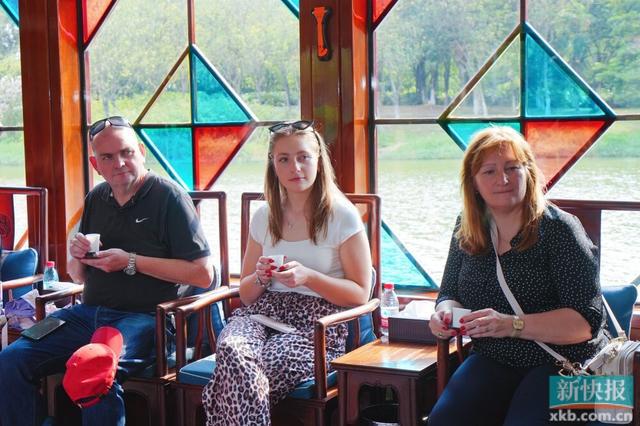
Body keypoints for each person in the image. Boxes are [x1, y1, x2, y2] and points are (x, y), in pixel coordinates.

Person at [0, 116, 214, 426]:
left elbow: (203, 274)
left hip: (144, 319)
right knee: (10, 360)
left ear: (142, 151)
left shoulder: (169, 197)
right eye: (108, 157)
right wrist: (78, 256)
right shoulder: (96, 198)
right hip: (86, 314)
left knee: (94, 369)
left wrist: (130, 261)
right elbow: (78, 276)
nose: (120, 163)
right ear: (95, 164)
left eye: (127, 152)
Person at [428, 126, 605, 426]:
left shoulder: (560, 228)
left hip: (570, 364)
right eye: (489, 171)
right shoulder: (466, 226)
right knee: (443, 421)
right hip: (495, 357)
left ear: (528, 172)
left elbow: (585, 325)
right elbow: (448, 293)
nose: (503, 179)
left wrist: (511, 324)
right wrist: (444, 315)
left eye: (512, 167)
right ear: (473, 183)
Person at [202, 120, 372, 426]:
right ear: (273, 165)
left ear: (318, 159)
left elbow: (360, 293)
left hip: (315, 324)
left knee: (243, 374)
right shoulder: (264, 216)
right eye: (284, 159)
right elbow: (247, 295)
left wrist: (309, 277)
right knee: (232, 350)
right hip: (260, 314)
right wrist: (261, 276)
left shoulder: (342, 216)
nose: (295, 167)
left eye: (303, 157)